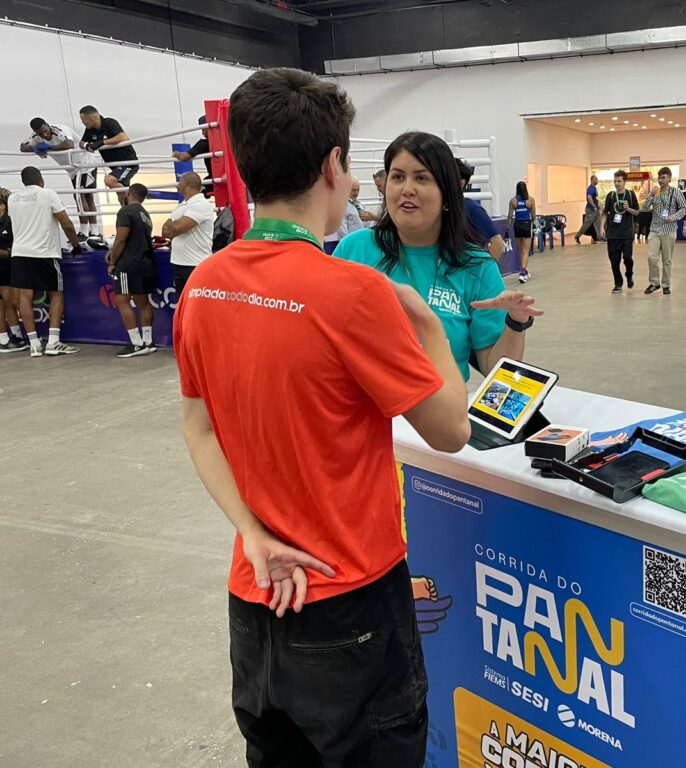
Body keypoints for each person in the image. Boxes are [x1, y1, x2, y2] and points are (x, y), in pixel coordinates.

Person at [176, 67, 472, 767]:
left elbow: (198, 427)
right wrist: (428, 326)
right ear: (335, 165)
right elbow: (451, 431)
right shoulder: (355, 290)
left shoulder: (205, 282)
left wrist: (251, 531)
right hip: (353, 609)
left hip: (256, 600)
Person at [338, 131, 543, 381]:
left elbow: (495, 371)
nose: (407, 189)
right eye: (398, 177)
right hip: (362, 412)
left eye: (422, 178)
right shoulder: (353, 250)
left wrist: (516, 321)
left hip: (439, 412)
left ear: (446, 193)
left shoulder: (476, 267)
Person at [8, 167, 83, 356]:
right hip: (44, 253)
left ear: (23, 181)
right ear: (41, 180)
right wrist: (76, 245)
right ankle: (54, 342)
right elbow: (66, 223)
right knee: (56, 294)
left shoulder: (12, 198)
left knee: (25, 297)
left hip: (19, 253)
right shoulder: (48, 194)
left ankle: (34, 344)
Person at [20, 118, 99, 237]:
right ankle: (93, 232)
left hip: (84, 163)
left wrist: (46, 148)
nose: (45, 135)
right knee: (86, 196)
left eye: (45, 131)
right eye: (41, 134)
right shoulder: (35, 136)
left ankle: (87, 232)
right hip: (73, 169)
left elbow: (69, 144)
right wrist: (36, 148)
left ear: (48, 125)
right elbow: (22, 147)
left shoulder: (60, 130)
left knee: (80, 195)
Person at [106, 183, 157, 357]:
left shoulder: (125, 211)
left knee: (122, 300)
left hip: (129, 264)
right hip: (145, 262)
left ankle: (136, 343)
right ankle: (148, 342)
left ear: (129, 194)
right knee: (143, 302)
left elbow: (121, 239)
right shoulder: (145, 215)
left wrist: (113, 261)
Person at [162, 172, 215, 298]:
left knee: (198, 307)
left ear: (185, 183)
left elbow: (177, 227)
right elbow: (165, 231)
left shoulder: (201, 205)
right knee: (183, 306)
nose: (178, 185)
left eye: (180, 182)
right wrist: (173, 227)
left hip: (195, 265)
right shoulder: (182, 205)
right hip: (179, 263)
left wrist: (173, 227)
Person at [79, 106, 139, 205]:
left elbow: (123, 137)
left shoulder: (110, 123)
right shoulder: (90, 129)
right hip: (115, 166)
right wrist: (87, 145)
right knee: (121, 195)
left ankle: (135, 196)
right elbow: (81, 142)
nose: (83, 123)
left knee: (109, 180)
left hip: (128, 163)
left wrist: (102, 142)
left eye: (84, 120)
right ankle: (127, 213)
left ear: (92, 119)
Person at [640, 167, 686, 295]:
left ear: (670, 178)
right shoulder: (655, 192)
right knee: (651, 257)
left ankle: (666, 284)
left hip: (669, 230)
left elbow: (683, 208)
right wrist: (650, 195)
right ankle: (654, 283)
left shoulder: (676, 192)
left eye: (664, 177)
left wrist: (674, 217)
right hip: (655, 229)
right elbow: (644, 208)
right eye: (659, 178)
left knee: (667, 259)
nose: (661, 180)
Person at [458, 159, 504, 262]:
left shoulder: (472, 209)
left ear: (461, 183)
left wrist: (485, 273)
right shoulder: (438, 208)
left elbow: (497, 243)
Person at [603, 170, 640, 294]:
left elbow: (637, 212)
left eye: (619, 181)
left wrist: (628, 208)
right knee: (614, 260)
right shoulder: (611, 195)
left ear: (625, 181)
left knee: (628, 258)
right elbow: (604, 213)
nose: (617, 183)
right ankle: (618, 283)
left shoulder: (630, 194)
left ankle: (629, 274)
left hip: (627, 233)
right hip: (613, 233)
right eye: (615, 181)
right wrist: (602, 227)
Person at [0, 189, 28, 353]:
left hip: (8, 266)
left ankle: (16, 336)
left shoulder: (11, 221)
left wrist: (7, 253)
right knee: (5, 302)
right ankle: (3, 340)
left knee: (10, 302)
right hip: (3, 268)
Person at [324, 177, 364, 254]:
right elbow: (342, 228)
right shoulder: (343, 206)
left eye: (358, 190)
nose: (356, 193)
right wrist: (348, 244)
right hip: (351, 243)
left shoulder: (361, 205)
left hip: (361, 242)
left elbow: (367, 224)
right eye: (353, 190)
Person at [171, 115, 213, 188]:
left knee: (197, 190)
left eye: (203, 130)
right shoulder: (228, 141)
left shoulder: (203, 143)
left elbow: (184, 157)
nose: (202, 133)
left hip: (214, 177)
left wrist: (176, 154)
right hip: (230, 175)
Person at [507, 180, 536, 284]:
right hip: (526, 225)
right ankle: (522, 272)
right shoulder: (531, 200)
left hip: (517, 225)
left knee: (520, 251)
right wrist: (532, 223)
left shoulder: (513, 201)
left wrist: (507, 228)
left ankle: (525, 271)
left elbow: (510, 216)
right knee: (526, 251)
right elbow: (533, 216)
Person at [575, 175, 603, 245]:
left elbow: (595, 198)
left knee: (598, 223)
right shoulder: (591, 188)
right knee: (586, 224)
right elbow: (589, 197)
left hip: (596, 210)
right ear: (592, 180)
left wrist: (599, 207)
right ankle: (577, 236)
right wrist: (593, 206)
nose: (597, 180)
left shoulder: (594, 188)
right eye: (596, 179)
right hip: (591, 209)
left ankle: (600, 238)